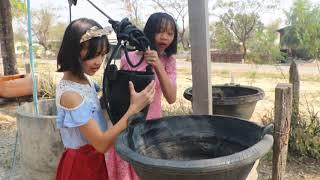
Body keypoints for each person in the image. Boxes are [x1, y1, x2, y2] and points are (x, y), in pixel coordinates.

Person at [55, 18, 155, 180]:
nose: (99, 62)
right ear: (73, 51)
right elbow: (101, 144)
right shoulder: (70, 95)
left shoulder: (83, 79)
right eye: (93, 55)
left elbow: (94, 106)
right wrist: (134, 109)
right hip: (80, 166)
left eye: (102, 54)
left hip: (92, 159)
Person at [106, 12, 178, 180]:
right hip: (126, 125)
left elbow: (172, 97)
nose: (165, 37)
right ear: (150, 30)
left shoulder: (169, 61)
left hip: (152, 129)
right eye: (160, 31)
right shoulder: (128, 58)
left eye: (170, 33)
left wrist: (158, 65)